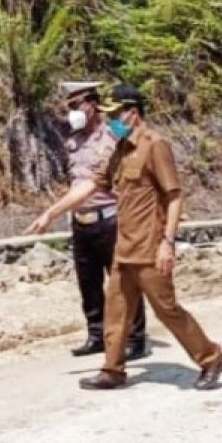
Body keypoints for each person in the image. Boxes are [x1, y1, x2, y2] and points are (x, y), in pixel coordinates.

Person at [27, 85, 222, 391]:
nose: (111, 122)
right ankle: (113, 369)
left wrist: (168, 242)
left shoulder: (154, 146)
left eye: (116, 116)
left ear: (133, 113)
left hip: (150, 249)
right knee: (116, 311)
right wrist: (50, 213)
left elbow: (174, 197)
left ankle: (211, 357)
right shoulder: (119, 150)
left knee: (167, 309)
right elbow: (92, 186)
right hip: (124, 247)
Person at [49, 82, 147, 359]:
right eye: (69, 106)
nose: (72, 112)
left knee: (123, 281)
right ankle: (97, 334)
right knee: (88, 284)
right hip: (81, 221)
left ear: (92, 105)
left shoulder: (113, 136)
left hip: (110, 220)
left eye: (76, 105)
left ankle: (134, 338)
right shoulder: (73, 141)